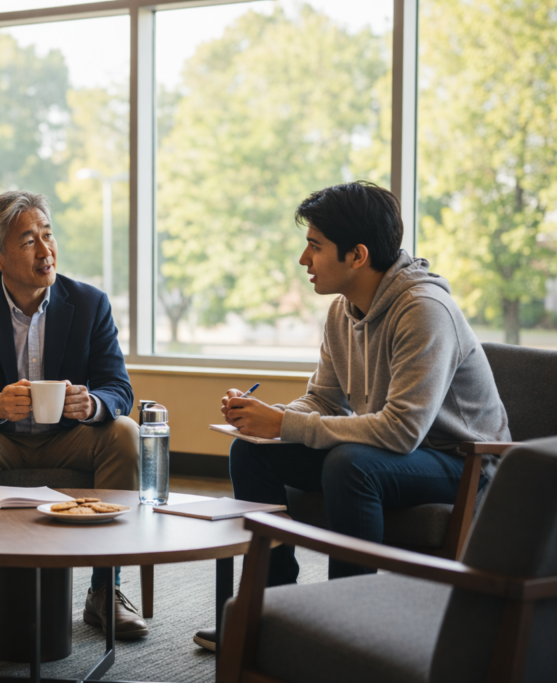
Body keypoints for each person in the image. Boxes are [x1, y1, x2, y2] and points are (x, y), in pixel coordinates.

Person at [192, 181, 511, 651]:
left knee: (351, 465)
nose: (303, 259)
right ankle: (269, 607)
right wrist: (270, 418)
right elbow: (323, 400)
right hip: (390, 454)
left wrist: (284, 425)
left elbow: (402, 430)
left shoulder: (424, 310)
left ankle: (347, 628)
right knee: (252, 453)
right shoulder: (343, 310)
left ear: (357, 255)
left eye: (315, 246)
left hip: (462, 463)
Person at [0, 190, 145, 642]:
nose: (45, 250)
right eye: (29, 241)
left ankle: (105, 587)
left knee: (124, 430)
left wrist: (93, 404)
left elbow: (119, 388)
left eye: (48, 235)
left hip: (69, 438)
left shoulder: (90, 304)